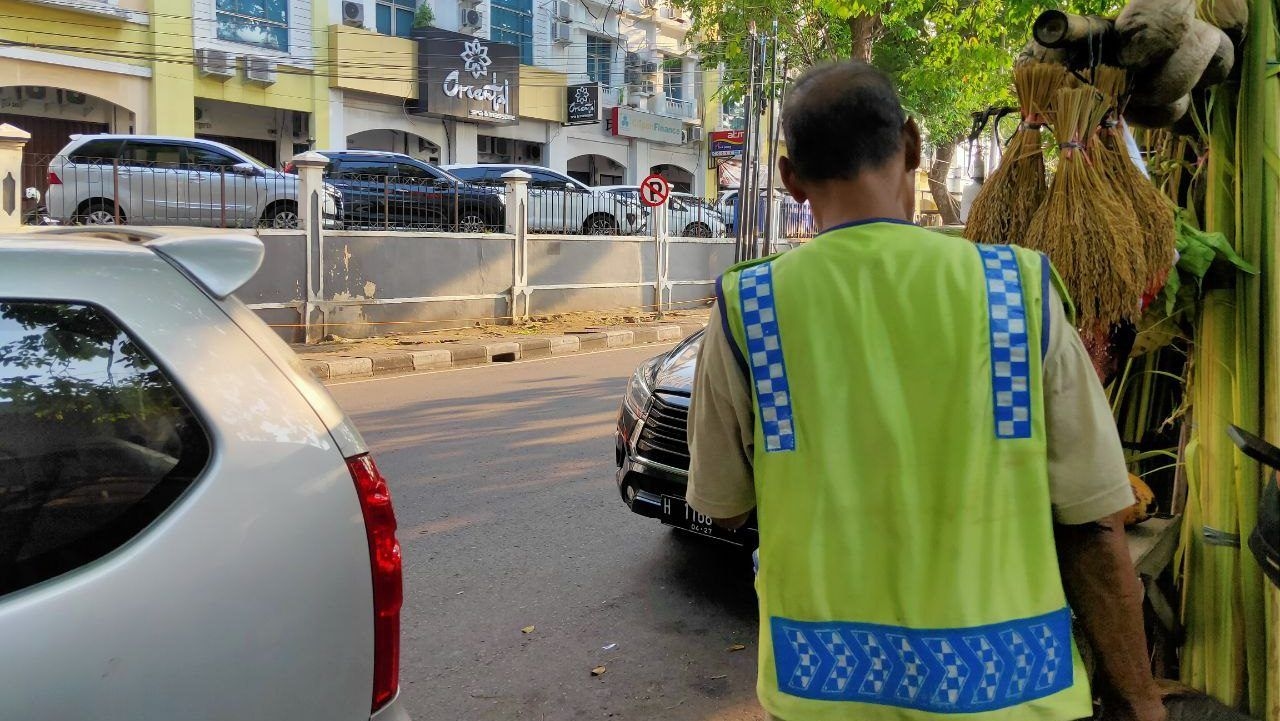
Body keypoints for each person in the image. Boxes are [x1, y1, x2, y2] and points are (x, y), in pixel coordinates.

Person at [686, 61, 1166, 721]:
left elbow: (725, 507)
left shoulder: (750, 306)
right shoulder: (1016, 291)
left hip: (824, 696)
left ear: (790, 178)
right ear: (912, 145)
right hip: (1014, 696)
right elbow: (1093, 522)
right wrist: (1140, 698)